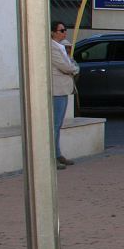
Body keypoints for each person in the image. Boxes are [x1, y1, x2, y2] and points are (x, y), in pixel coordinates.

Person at [50, 21, 79, 170]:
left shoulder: (61, 47)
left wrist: (73, 67)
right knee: (54, 125)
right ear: (53, 32)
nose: (64, 33)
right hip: (57, 90)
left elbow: (71, 63)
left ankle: (58, 153)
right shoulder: (52, 48)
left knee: (58, 124)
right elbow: (67, 66)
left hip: (63, 89)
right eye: (61, 30)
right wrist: (74, 69)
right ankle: (52, 157)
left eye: (65, 30)